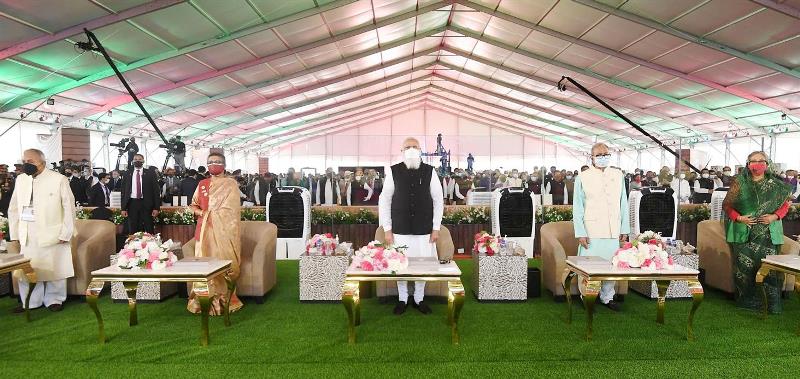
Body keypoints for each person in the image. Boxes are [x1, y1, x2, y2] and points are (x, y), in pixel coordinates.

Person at [379, 137, 444, 315]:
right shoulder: (393, 172)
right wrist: (387, 229)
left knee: (422, 265)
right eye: (407, 146)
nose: (411, 149)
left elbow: (438, 200)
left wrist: (436, 227)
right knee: (399, 264)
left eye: (415, 146)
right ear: (402, 151)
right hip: (400, 228)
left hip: (424, 229)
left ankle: (419, 298)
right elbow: (385, 200)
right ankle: (402, 298)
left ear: (420, 150)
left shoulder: (430, 172)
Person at [723, 151, 791, 314]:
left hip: (768, 232)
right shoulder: (739, 183)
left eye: (761, 161)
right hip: (744, 232)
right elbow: (727, 206)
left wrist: (774, 216)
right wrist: (739, 218)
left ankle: (770, 304)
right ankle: (747, 302)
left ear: (767, 164)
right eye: (753, 161)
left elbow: (786, 205)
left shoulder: (777, 185)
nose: (757, 164)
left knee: (768, 267)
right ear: (748, 164)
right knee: (744, 269)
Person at [9, 149, 75, 312]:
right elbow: (14, 208)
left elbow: (69, 207)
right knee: (29, 268)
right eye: (25, 161)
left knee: (55, 267)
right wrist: (15, 234)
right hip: (28, 231)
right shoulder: (21, 179)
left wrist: (66, 232)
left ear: (42, 162)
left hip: (53, 231)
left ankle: (55, 299)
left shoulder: (59, 179)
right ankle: (30, 302)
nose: (26, 164)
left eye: (30, 161)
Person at [572, 143, 629, 312]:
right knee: (590, 267)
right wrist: (580, 232)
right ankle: (587, 296)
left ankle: (607, 297)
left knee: (611, 266)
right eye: (599, 154)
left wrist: (624, 229)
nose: (603, 157)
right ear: (592, 157)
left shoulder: (618, 175)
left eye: (606, 153)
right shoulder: (582, 177)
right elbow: (577, 206)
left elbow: (623, 203)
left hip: (613, 229)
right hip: (591, 229)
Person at [188, 152, 243, 315]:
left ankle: (225, 299)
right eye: (211, 162)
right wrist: (202, 214)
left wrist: (212, 215)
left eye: (218, 162)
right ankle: (201, 300)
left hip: (224, 233)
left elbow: (231, 211)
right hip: (204, 231)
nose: (214, 164)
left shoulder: (230, 184)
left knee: (223, 263)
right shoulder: (202, 184)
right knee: (203, 265)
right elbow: (193, 205)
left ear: (224, 165)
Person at [121, 154, 160, 234]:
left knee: (149, 227)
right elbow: (123, 192)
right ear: (133, 161)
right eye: (135, 159)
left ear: (143, 161)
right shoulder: (127, 173)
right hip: (132, 203)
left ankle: (150, 245)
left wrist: (156, 207)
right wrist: (123, 208)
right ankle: (133, 245)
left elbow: (156, 191)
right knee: (133, 227)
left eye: (140, 159)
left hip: (146, 203)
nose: (137, 161)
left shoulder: (150, 173)